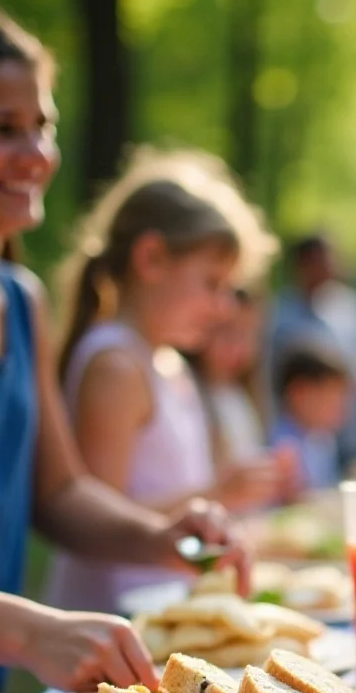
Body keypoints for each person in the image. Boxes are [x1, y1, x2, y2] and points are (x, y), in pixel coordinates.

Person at [0, 4, 244, 693]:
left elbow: (61, 491)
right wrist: (33, 632)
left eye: (43, 125)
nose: (34, 154)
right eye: (1, 129)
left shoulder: (20, 302)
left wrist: (159, 534)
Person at [43, 147, 284, 614]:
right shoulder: (115, 366)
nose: (224, 307)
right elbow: (95, 523)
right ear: (151, 258)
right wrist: (219, 492)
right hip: (111, 618)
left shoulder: (167, 363)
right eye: (212, 283)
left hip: (159, 606)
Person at [264, 234, 356, 469]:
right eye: (317, 262)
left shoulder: (352, 310)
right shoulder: (278, 316)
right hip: (300, 430)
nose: (326, 269)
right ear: (300, 266)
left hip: (346, 432)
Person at [191, 287, 269, 467]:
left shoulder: (243, 395)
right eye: (228, 333)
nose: (239, 346)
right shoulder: (189, 394)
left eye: (249, 335)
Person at [268, 343, 351, 491]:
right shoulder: (278, 445)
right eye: (330, 400)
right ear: (299, 393)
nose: (340, 411)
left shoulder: (323, 441)